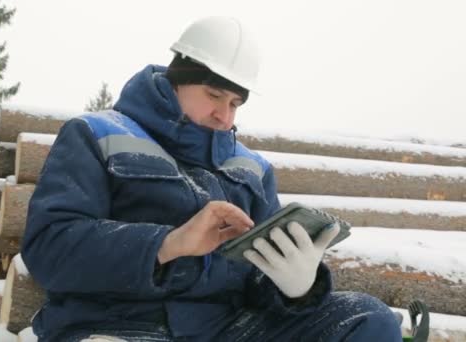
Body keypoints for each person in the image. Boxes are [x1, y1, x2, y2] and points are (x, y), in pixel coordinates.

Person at [21, 16, 403, 341]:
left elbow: (257, 287)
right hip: (119, 325)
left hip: (225, 329)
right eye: (214, 95)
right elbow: (49, 248)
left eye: (235, 103)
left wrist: (297, 287)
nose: (225, 116)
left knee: (368, 320)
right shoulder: (96, 134)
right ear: (176, 80)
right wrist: (168, 244)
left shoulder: (250, 169)